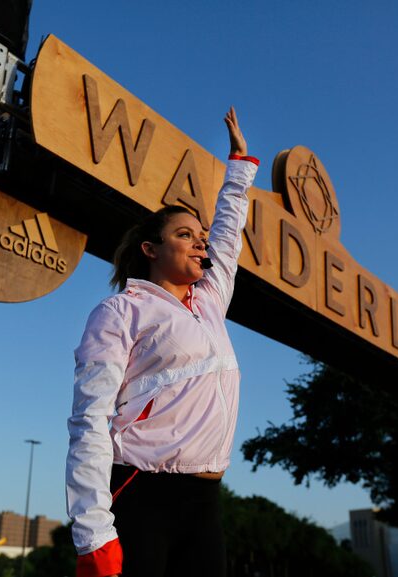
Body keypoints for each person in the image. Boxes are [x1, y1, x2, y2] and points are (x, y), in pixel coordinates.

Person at [66, 107, 259, 577]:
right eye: (184, 234)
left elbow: (229, 236)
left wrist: (238, 166)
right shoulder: (119, 312)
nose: (200, 243)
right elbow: (89, 420)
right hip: (140, 490)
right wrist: (92, 533)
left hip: (206, 501)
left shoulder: (211, 300)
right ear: (150, 250)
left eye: (201, 236)